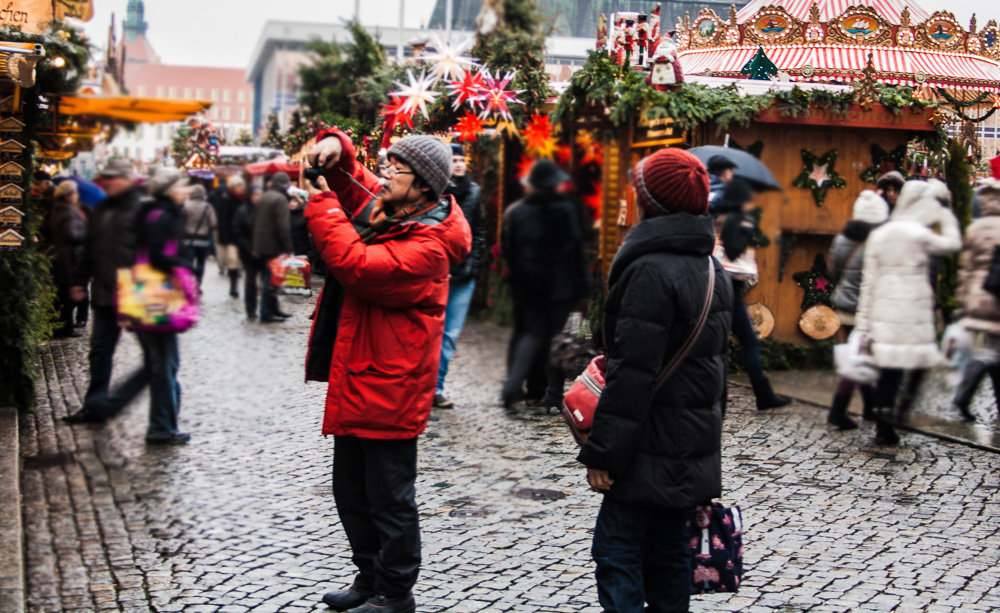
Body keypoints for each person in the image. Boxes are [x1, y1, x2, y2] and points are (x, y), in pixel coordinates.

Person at [304, 129, 470, 613]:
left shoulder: (431, 244)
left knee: (389, 499)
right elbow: (357, 185)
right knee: (351, 493)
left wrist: (321, 207)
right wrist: (339, 150)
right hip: (361, 375)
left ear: (422, 186)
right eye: (389, 165)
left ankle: (396, 593)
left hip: (391, 387)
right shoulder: (397, 210)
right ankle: (369, 576)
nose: (386, 176)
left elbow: (358, 265)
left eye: (396, 170)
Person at [578, 148, 733, 613]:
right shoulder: (712, 268)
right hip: (688, 445)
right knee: (668, 557)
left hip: (647, 445)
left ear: (651, 202)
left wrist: (604, 453)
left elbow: (633, 376)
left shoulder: (648, 268)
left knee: (616, 552)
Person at [855, 179, 962, 445]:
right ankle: (899, 410)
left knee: (889, 368)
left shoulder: (881, 234)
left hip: (884, 307)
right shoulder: (919, 234)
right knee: (917, 364)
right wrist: (944, 214)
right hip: (913, 309)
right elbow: (952, 243)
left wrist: (863, 321)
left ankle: (884, 424)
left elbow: (868, 281)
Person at [500, 160, 589, 410]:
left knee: (532, 335)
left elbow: (509, 250)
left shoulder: (517, 212)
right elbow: (575, 250)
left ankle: (512, 386)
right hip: (561, 287)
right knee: (559, 340)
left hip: (529, 286)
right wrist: (583, 289)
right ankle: (552, 394)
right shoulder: (566, 209)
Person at [65, 160, 142, 424]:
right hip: (104, 292)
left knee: (155, 357)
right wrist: (79, 281)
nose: (107, 183)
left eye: (113, 178)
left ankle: (122, 404)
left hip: (136, 293)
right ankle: (95, 404)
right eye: (106, 178)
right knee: (99, 351)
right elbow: (89, 249)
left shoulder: (141, 208)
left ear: (127, 179)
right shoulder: (101, 210)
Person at [711, 178, 791, 411]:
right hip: (730, 289)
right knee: (745, 344)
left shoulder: (719, 216)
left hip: (722, 286)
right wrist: (746, 231)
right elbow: (734, 250)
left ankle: (752, 395)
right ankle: (760, 395)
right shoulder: (736, 219)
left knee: (727, 344)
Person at [826, 191, 890, 430]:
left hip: (844, 305)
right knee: (859, 360)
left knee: (860, 355)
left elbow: (833, 272)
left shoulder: (842, 239)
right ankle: (838, 410)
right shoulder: (879, 242)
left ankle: (870, 406)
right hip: (865, 308)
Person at [433, 143, 484, 409]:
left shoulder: (474, 192)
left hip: (464, 276)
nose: (460, 163)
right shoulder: (436, 192)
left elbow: (479, 234)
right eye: (454, 159)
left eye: (462, 158)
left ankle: (436, 388)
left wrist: (472, 265)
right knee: (430, 329)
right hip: (436, 271)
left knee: (450, 334)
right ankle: (422, 384)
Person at [952, 179, 1000, 420]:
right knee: (992, 352)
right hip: (996, 298)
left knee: (992, 351)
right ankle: (964, 396)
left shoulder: (975, 228)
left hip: (977, 296)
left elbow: (966, 267)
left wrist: (963, 299)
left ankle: (966, 395)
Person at [48, 180, 88, 338]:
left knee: (63, 294)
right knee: (68, 295)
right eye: (75, 193)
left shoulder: (57, 208)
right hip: (69, 256)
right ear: (69, 195)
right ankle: (66, 327)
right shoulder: (69, 211)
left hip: (60, 255)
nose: (77, 196)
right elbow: (72, 234)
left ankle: (63, 326)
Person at [252, 172, 294, 323]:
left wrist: (255, 246)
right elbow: (283, 227)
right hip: (273, 246)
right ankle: (266, 312)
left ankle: (273, 309)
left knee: (270, 278)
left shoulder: (264, 197)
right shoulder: (280, 199)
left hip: (261, 245)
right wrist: (288, 248)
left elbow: (255, 222)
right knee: (270, 280)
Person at [210, 175, 245, 297]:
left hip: (243, 237)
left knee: (239, 261)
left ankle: (236, 279)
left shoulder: (244, 199)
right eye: (239, 185)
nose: (241, 188)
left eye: (241, 185)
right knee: (233, 261)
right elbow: (222, 220)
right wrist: (224, 237)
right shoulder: (226, 200)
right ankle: (234, 285)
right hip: (231, 237)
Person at [233, 185, 261, 320]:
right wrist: (249, 247)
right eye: (255, 195)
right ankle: (251, 308)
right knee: (250, 281)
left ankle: (268, 308)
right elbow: (237, 232)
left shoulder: (264, 210)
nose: (257, 198)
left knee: (268, 281)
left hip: (264, 251)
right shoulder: (243, 211)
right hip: (248, 253)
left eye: (259, 195)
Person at [181, 184, 218, 287]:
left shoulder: (186, 205)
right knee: (201, 262)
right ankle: (198, 283)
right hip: (203, 240)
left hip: (188, 239)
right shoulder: (207, 207)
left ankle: (189, 283)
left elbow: (181, 221)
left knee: (189, 262)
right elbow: (213, 223)